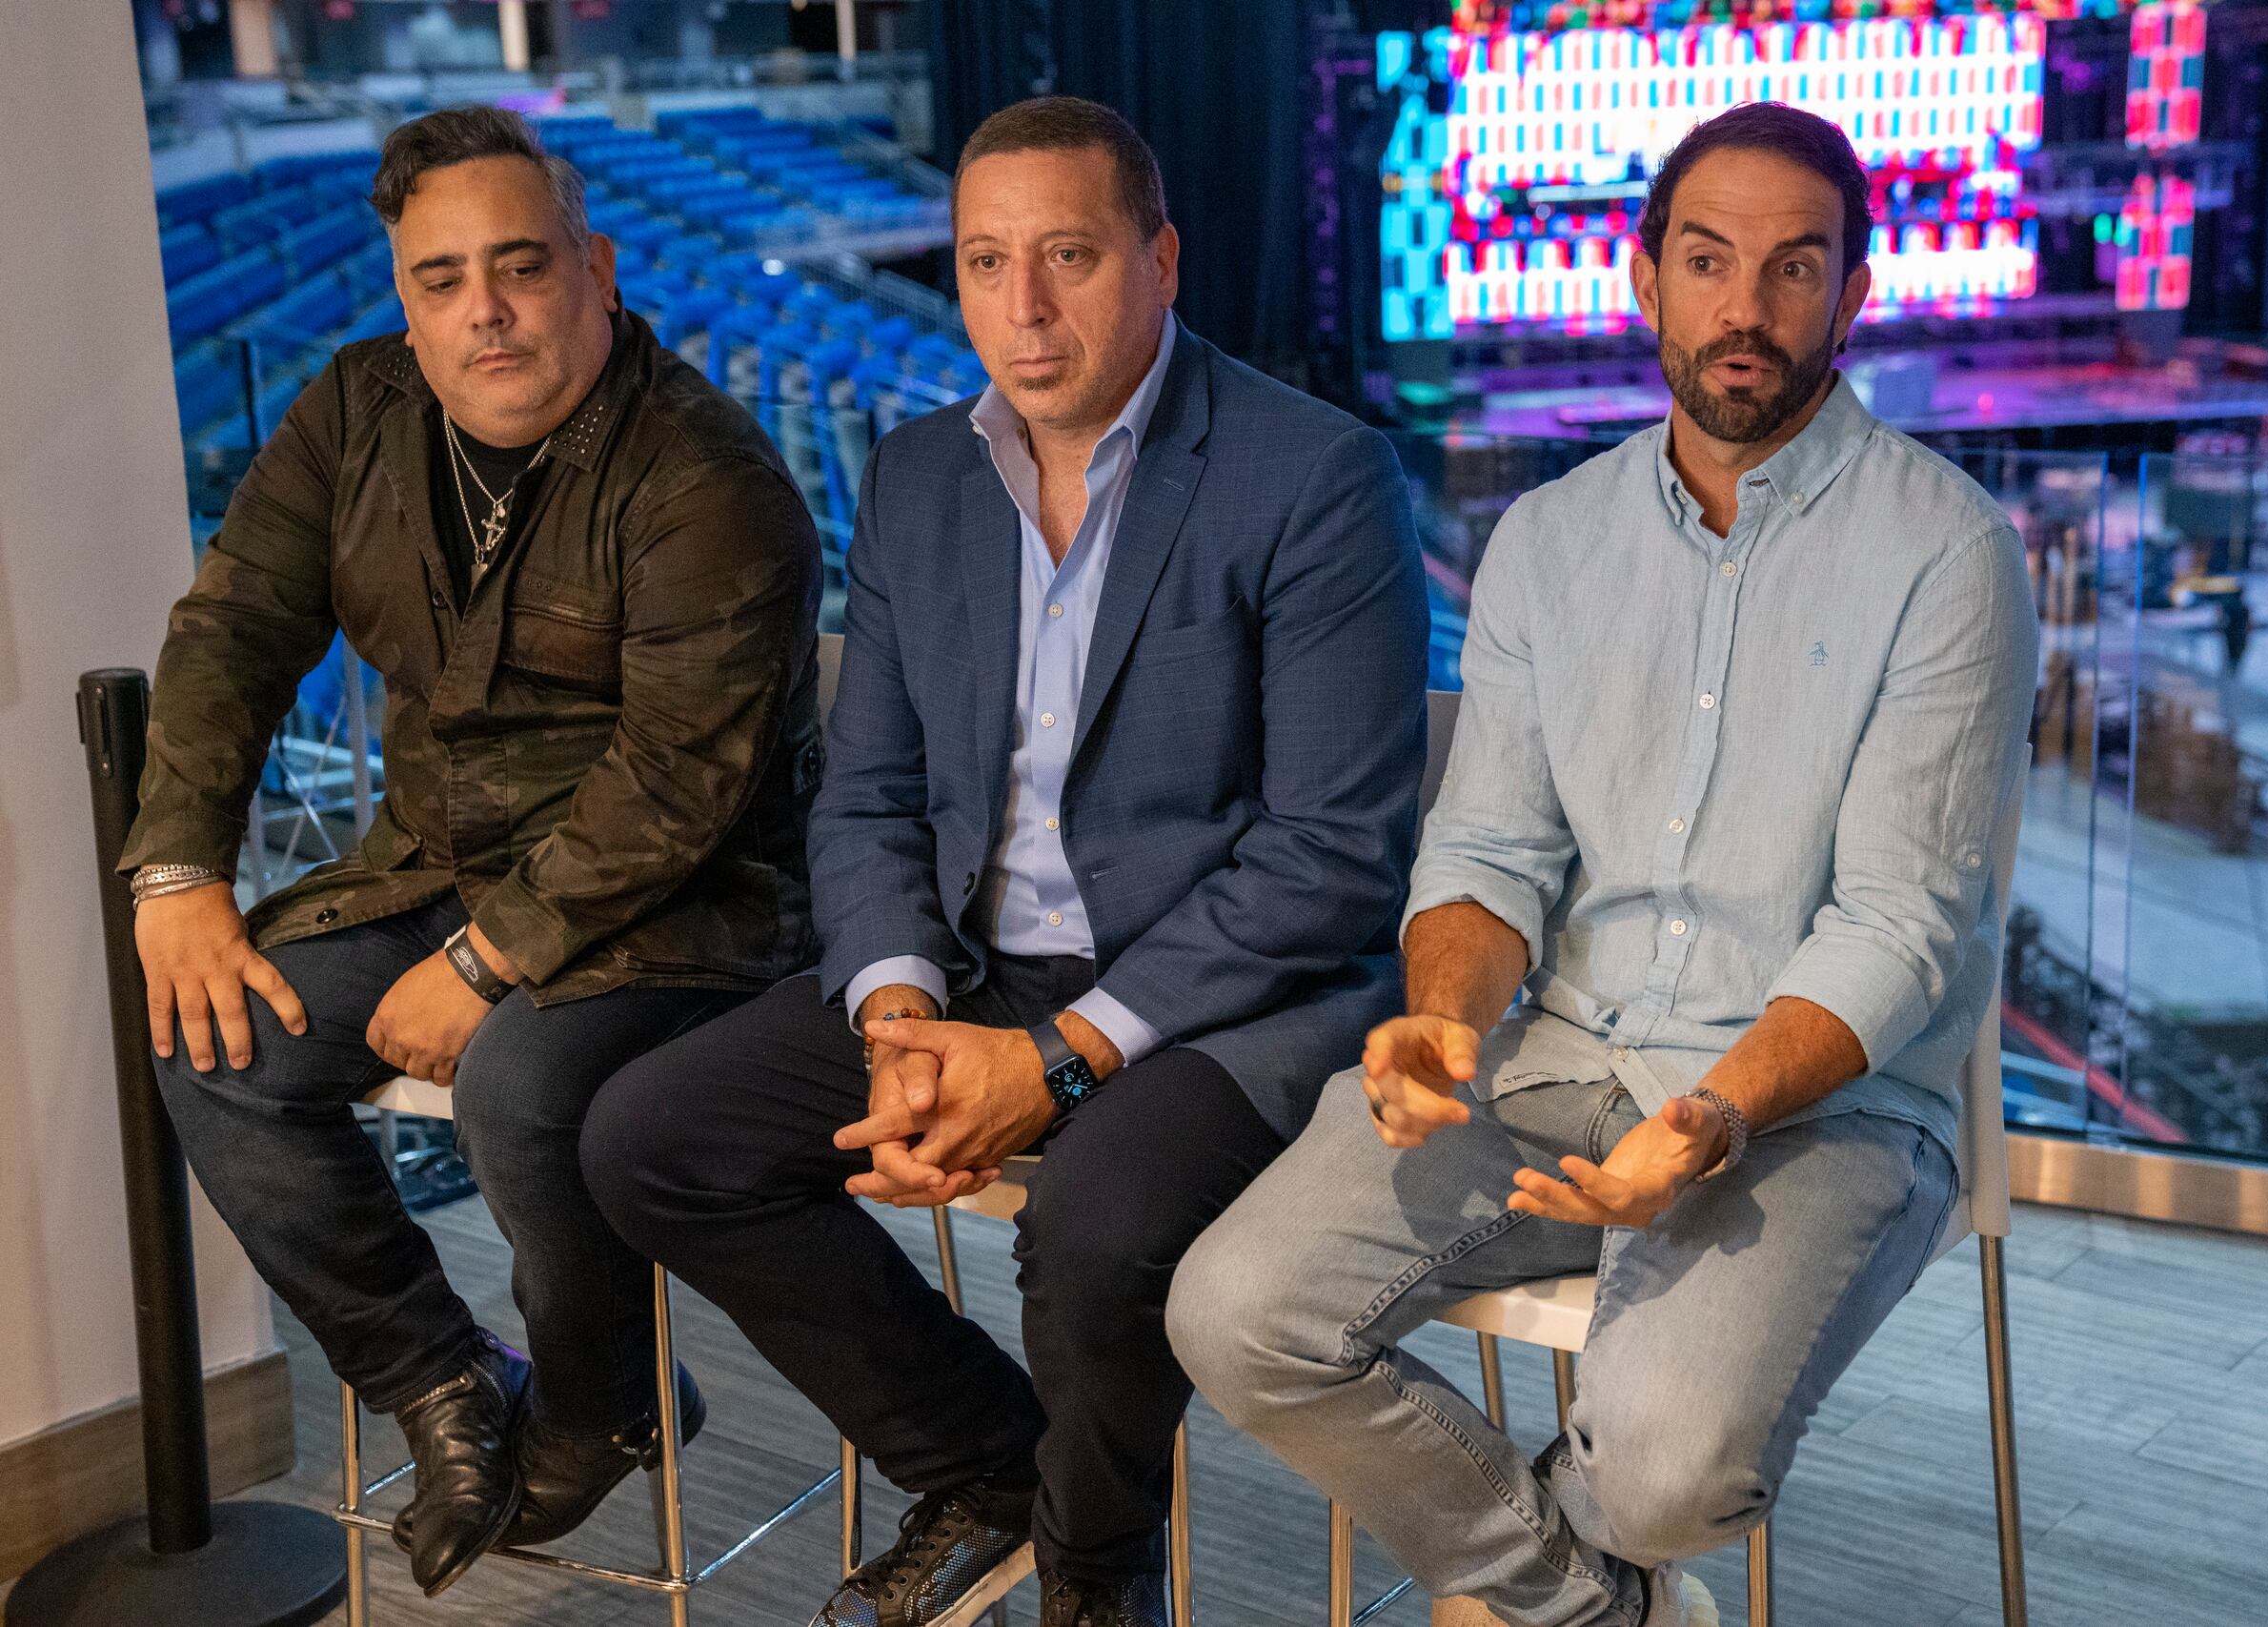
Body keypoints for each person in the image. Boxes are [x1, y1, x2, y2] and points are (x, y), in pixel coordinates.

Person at [1170, 101, 2040, 1627]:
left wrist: (1716, 1109)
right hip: (1560, 1058)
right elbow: (1492, 847)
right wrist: (1447, 1006)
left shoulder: (1949, 552)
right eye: (1707, 261)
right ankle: (1591, 1607)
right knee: (1232, 1312)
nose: (1745, 308)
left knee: (1666, 1479)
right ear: (1645, 279)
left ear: (1855, 290)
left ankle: (1560, 1551)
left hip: (1821, 1100)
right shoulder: (1548, 539)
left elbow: (1901, 922)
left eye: (1792, 268)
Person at [582, 96, 1428, 1627]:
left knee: (1092, 1221)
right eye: (985, 261)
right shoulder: (920, 475)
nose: (1024, 309)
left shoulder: (1314, 475)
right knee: (651, 1137)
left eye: (1070, 257)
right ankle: (992, 1470)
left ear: (1161, 261)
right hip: (980, 967)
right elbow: (872, 792)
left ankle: (1097, 1585)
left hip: (1229, 997)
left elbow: (1333, 860)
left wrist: (1057, 1061)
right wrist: (901, 1019)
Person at [123, 107, 822, 1596]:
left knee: (513, 1081)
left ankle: (602, 1394)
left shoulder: (710, 477)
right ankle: (450, 1385)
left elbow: (675, 786)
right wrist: (179, 872)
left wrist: (483, 960)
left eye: (519, 266)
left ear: (598, 267)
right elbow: (235, 629)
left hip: (685, 904)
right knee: (216, 1043)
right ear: (404, 301)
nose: (484, 311)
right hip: (438, 863)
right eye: (442, 280)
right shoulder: (356, 410)